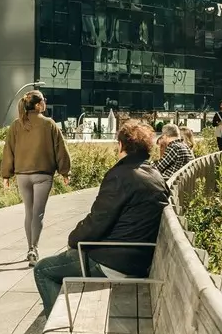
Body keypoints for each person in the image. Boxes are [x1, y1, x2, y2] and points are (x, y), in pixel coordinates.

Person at [33, 120, 169, 313]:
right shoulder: (156, 175)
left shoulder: (121, 175)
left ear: (121, 145)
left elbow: (97, 221)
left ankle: (60, 324)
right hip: (140, 259)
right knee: (65, 261)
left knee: (43, 270)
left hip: (115, 262)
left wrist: (73, 240)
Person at [0, 88, 70, 267]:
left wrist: (6, 174)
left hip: (22, 175)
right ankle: (33, 249)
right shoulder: (49, 124)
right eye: (43, 100)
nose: (45, 102)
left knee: (29, 212)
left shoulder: (16, 125)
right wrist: (65, 172)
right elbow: (60, 149)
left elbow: (8, 150)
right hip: (43, 175)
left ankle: (30, 248)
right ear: (38, 105)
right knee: (38, 213)